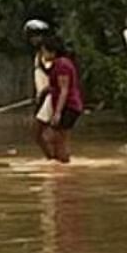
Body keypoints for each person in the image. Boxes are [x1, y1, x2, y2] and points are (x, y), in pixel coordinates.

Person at [41, 35, 84, 163]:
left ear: (53, 51)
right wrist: (47, 90)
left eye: (44, 51)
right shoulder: (59, 64)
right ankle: (61, 164)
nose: (43, 55)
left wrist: (57, 113)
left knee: (58, 139)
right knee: (58, 138)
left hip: (69, 106)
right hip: (68, 106)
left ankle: (63, 165)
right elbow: (58, 86)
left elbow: (64, 90)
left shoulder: (62, 65)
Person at [23, 20, 53, 159]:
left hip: (49, 98)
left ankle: (55, 158)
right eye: (32, 36)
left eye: (38, 35)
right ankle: (53, 158)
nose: (35, 39)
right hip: (44, 97)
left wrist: (46, 92)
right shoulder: (39, 55)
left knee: (39, 132)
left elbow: (54, 75)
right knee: (40, 133)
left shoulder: (47, 54)